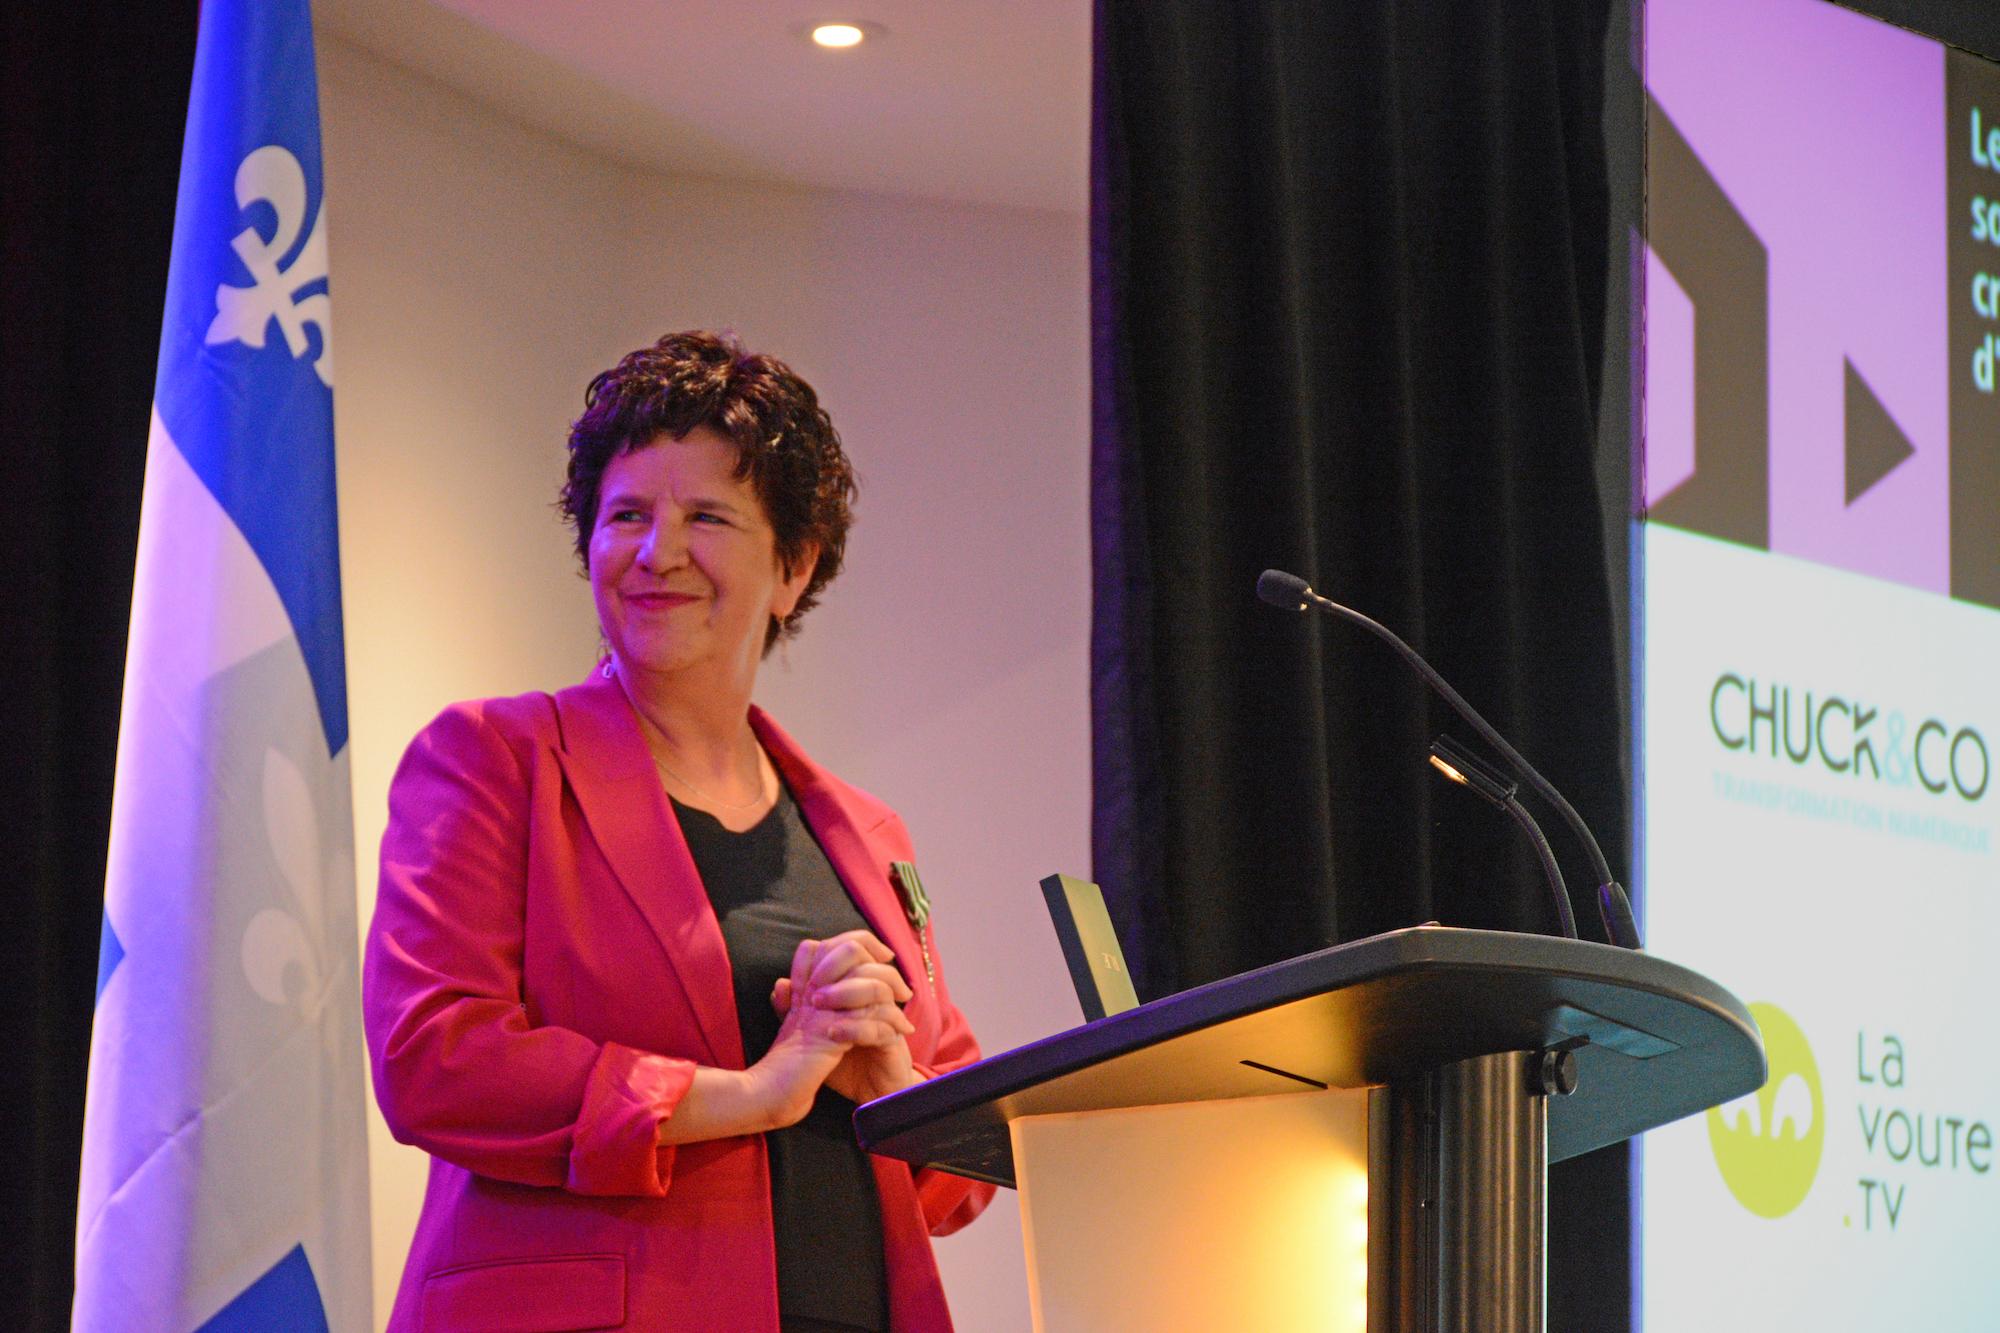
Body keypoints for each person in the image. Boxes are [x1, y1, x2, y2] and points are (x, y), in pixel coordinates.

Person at [364, 331, 992, 1332]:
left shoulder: (868, 833)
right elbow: (434, 1058)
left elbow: (962, 1178)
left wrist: (891, 1085)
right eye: (625, 516)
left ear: (793, 568)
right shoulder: (492, 758)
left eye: (705, 516)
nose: (657, 552)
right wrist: (754, 1091)